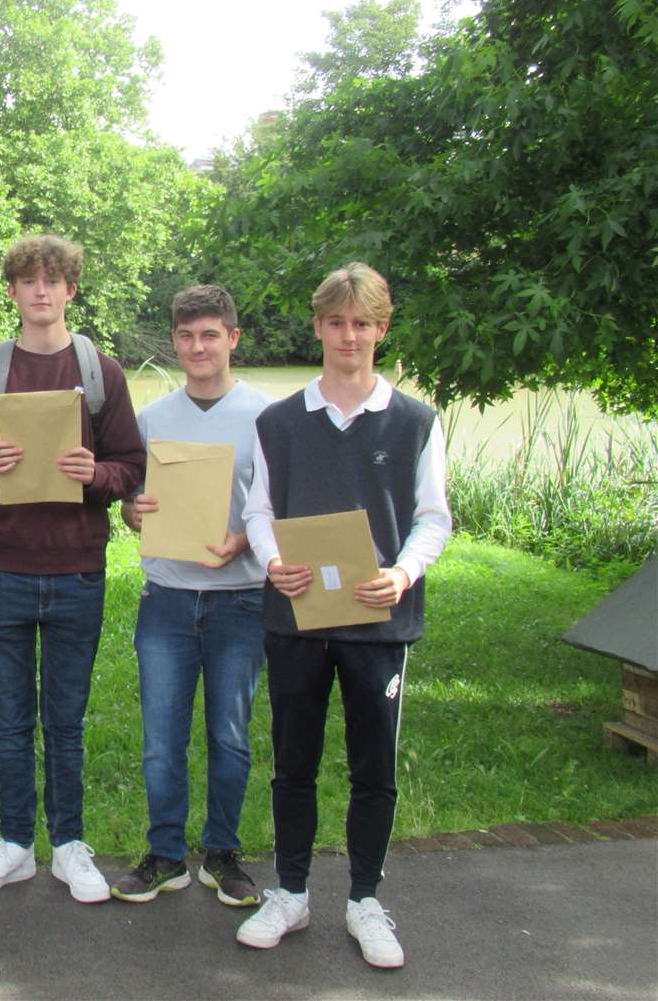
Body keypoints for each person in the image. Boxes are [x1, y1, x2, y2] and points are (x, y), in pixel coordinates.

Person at [237, 263, 451, 969]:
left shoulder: (418, 420)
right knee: (293, 762)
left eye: (362, 323)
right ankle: (292, 891)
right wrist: (271, 560)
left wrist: (403, 571)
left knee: (373, 768)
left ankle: (365, 901)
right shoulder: (279, 421)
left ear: (382, 330)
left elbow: (433, 519)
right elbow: (259, 511)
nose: (348, 335)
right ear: (319, 327)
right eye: (336, 322)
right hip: (297, 617)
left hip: (378, 624)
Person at [0, 235, 145, 904]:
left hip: (77, 571)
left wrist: (97, 475)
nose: (41, 291)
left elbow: (132, 468)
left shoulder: (103, 373)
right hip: (1, 570)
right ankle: (13, 845)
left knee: (66, 719)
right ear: (12, 292)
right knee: (10, 720)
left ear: (70, 291)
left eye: (53, 280)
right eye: (28, 281)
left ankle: (68, 845)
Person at [110, 284, 270, 907]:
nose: (197, 347)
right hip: (169, 599)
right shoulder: (152, 420)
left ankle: (223, 852)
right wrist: (134, 511)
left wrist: (246, 543)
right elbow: (129, 507)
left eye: (210, 335)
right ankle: (166, 854)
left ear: (232, 338)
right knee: (161, 738)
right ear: (174, 341)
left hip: (242, 599)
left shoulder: (268, 416)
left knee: (230, 735)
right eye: (185, 336)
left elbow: (280, 510)